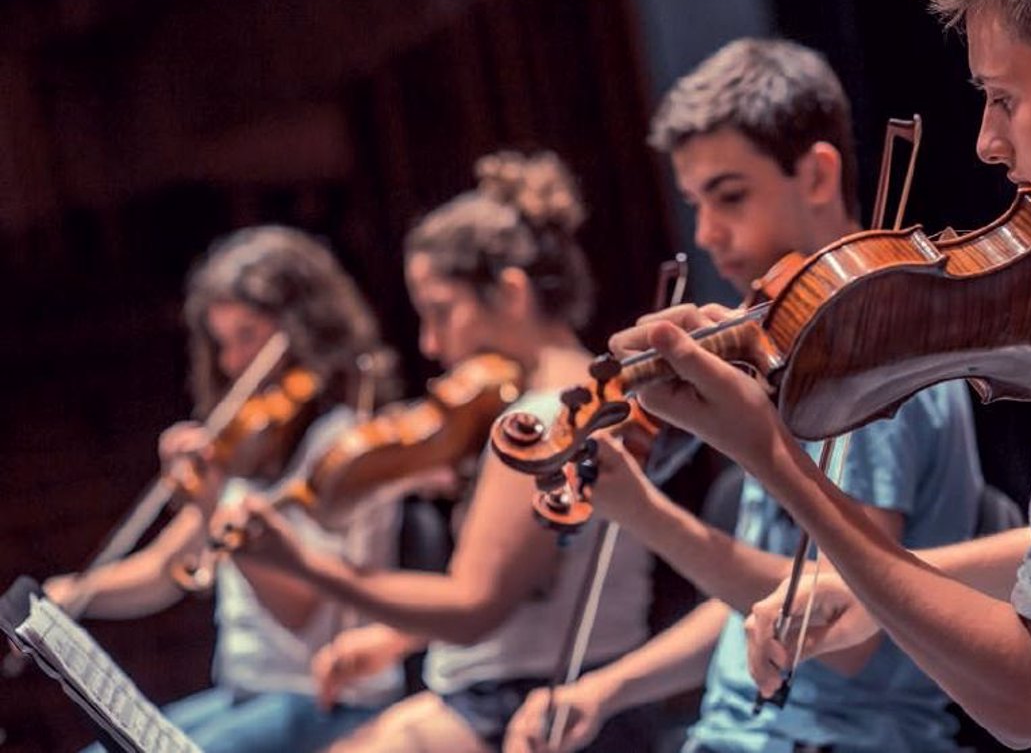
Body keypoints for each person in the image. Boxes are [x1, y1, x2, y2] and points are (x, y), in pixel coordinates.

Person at [624, 0, 1031, 752]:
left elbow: (1028, 689)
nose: (988, 142)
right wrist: (869, 585)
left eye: (1005, 98)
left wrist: (774, 457)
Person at [503, 39, 987, 753]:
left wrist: (647, 514)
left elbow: (838, 626)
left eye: (730, 196)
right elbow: (762, 603)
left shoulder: (874, 361)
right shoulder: (784, 358)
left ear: (817, 174)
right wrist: (605, 688)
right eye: (695, 203)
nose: (706, 234)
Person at [223, 151, 655, 752]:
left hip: (528, 708)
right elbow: (535, 589)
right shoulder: (589, 389)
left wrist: (305, 565)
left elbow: (474, 606)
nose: (430, 344)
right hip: (549, 696)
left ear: (510, 292)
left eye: (441, 312)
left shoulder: (540, 416)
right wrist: (399, 638)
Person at [45, 225, 407, 753]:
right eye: (222, 343)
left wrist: (215, 503)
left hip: (326, 701)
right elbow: (168, 569)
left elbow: (299, 609)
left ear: (305, 328)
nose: (233, 363)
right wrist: (71, 595)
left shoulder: (345, 443)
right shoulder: (251, 445)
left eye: (248, 336)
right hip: (248, 694)